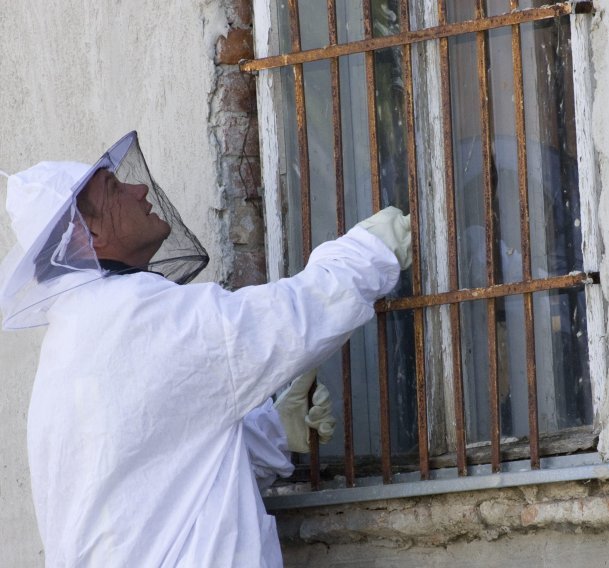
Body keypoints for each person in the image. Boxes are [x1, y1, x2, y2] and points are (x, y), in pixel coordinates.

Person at [0, 131, 412, 567]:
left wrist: (274, 432)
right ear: (88, 233)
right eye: (115, 188)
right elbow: (287, 321)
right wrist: (370, 250)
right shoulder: (131, 315)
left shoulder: (74, 344)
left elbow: (163, 477)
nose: (139, 189)